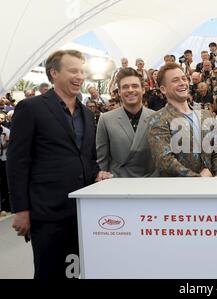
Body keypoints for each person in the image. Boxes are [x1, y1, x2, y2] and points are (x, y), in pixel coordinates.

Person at [6, 49, 112, 279]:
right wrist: (21, 210)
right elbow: (17, 162)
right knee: (49, 273)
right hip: (47, 214)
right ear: (54, 73)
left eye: (82, 71)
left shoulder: (86, 113)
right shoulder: (30, 108)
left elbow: (87, 157)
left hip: (83, 213)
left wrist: (97, 174)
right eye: (73, 70)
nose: (80, 76)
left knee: (77, 272)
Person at [148, 63, 217, 177]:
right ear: (163, 89)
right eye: (175, 80)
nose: (182, 83)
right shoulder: (157, 119)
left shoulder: (206, 115)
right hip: (179, 190)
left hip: (212, 187)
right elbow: (164, 161)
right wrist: (199, 179)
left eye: (184, 78)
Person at [96, 68, 156, 178]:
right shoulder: (106, 119)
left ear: (143, 89)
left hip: (150, 182)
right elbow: (102, 159)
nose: (130, 90)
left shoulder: (156, 117)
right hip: (118, 182)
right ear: (119, 92)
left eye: (135, 86)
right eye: (125, 87)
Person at [0, 114, 10, 215]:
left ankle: (6, 206)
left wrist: (6, 143)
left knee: (5, 183)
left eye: (2, 119)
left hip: (4, 160)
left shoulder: (6, 131)